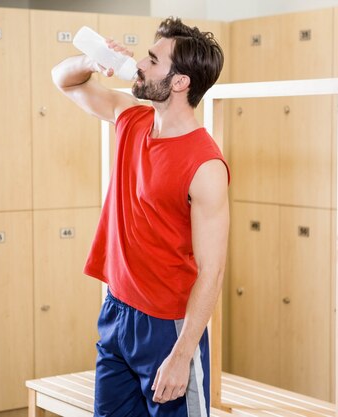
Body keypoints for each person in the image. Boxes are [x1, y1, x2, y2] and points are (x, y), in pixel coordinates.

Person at [51, 17, 229, 417]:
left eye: (153, 59)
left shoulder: (205, 165)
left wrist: (182, 355)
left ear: (180, 82)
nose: (141, 65)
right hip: (117, 311)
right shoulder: (131, 118)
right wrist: (93, 61)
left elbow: (211, 270)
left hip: (168, 328)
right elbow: (62, 79)